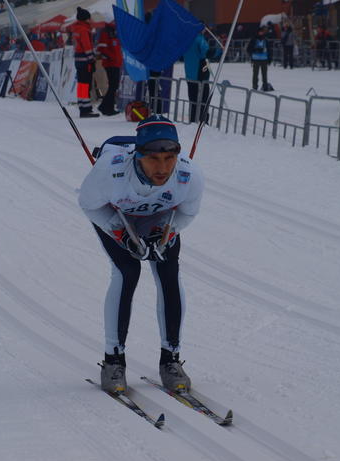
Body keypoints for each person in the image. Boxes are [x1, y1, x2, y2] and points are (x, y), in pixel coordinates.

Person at [78, 115, 205, 393]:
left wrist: (165, 233)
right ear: (138, 155)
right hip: (116, 215)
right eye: (153, 159)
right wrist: (120, 233)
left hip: (160, 217)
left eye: (169, 159)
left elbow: (187, 213)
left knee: (168, 272)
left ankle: (170, 360)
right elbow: (89, 204)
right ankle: (113, 361)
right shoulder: (110, 171)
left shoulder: (190, 175)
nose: (163, 168)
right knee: (128, 272)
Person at [72, 6, 99, 118]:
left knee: (82, 85)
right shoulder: (84, 30)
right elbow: (87, 46)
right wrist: (92, 60)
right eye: (89, 18)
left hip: (78, 60)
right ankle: (86, 109)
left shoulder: (76, 29)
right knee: (86, 84)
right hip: (85, 61)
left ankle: (82, 107)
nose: (90, 20)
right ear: (85, 19)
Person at [96, 22, 122, 116]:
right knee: (112, 85)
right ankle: (105, 106)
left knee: (112, 86)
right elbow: (102, 49)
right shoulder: (107, 32)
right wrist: (111, 57)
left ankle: (103, 105)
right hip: (109, 63)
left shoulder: (113, 32)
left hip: (113, 63)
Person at [184, 33, 211, 122]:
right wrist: (220, 51)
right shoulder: (199, 39)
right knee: (203, 100)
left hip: (190, 74)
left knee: (193, 101)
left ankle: (193, 120)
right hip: (199, 75)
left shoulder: (187, 38)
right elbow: (207, 52)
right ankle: (203, 122)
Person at [247, 26, 273, 91]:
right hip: (256, 59)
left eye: (262, 32)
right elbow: (248, 49)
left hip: (264, 59)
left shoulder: (265, 40)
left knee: (264, 74)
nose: (261, 33)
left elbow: (269, 50)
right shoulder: (253, 39)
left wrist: (270, 58)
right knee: (255, 74)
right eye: (260, 32)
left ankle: (265, 87)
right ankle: (255, 87)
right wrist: (255, 50)